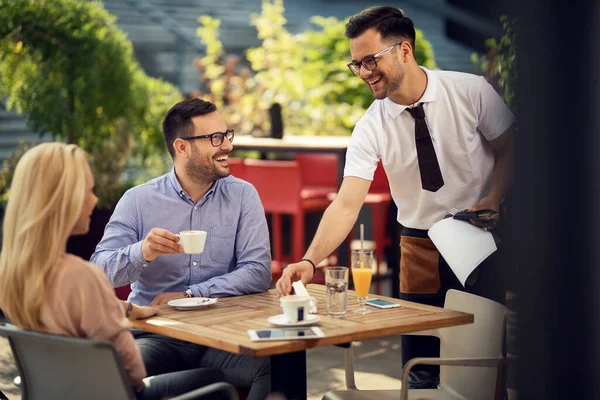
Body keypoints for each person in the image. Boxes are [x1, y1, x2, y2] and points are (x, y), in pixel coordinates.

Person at [276, 6, 515, 389]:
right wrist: (310, 260)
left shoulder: (470, 92)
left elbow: (510, 146)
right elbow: (346, 203)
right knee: (421, 371)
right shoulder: (371, 125)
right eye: (356, 64)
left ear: (404, 50)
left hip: (479, 241)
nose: (364, 72)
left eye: (371, 60)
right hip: (419, 248)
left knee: (481, 369)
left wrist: (495, 194)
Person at [0, 142, 226, 400]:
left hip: (60, 393)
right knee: (215, 379)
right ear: (62, 200)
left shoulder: (13, 274)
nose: (95, 200)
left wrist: (125, 308)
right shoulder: (82, 277)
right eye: (88, 190)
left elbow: (69, 309)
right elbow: (133, 372)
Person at [91, 98, 272, 399]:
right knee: (115, 375)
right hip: (159, 335)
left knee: (275, 366)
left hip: (222, 335)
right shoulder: (138, 200)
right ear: (182, 147)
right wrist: (142, 252)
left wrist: (192, 295)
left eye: (227, 134)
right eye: (215, 138)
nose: (226, 145)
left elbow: (257, 272)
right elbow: (99, 271)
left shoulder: (243, 196)